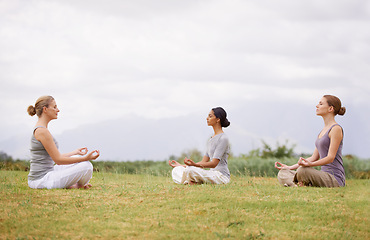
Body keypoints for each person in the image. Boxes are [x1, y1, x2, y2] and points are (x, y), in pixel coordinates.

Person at [27, 95, 100, 189]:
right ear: (45, 109)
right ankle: (76, 186)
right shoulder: (42, 131)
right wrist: (85, 158)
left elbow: (54, 158)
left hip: (49, 172)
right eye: (54, 107)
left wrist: (75, 152)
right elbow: (58, 160)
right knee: (86, 165)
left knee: (78, 158)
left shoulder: (42, 129)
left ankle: (74, 185)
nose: (58, 110)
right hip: (41, 180)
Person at [275, 95, 346, 187]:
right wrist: (289, 167)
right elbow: (314, 157)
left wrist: (310, 165)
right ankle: (300, 185)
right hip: (322, 176)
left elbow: (330, 157)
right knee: (283, 172)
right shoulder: (322, 131)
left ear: (330, 108)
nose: (317, 106)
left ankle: (299, 184)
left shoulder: (336, 129)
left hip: (334, 179)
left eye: (320, 104)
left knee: (303, 170)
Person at [168, 107, 231, 185]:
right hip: (211, 174)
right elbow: (203, 162)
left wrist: (193, 165)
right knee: (177, 170)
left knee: (190, 170)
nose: (207, 118)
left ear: (218, 119)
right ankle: (192, 181)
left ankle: (189, 181)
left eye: (210, 116)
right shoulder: (211, 139)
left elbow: (214, 163)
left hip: (220, 176)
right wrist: (182, 166)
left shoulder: (223, 138)